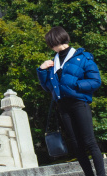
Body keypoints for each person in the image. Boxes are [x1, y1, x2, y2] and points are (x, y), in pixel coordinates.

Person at [38, 25, 104, 176]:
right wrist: (42, 71)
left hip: (79, 104)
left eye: (50, 43)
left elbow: (95, 81)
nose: (50, 47)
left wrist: (75, 85)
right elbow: (49, 88)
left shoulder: (83, 57)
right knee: (76, 145)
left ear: (56, 41)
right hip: (63, 107)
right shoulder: (53, 62)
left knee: (90, 142)